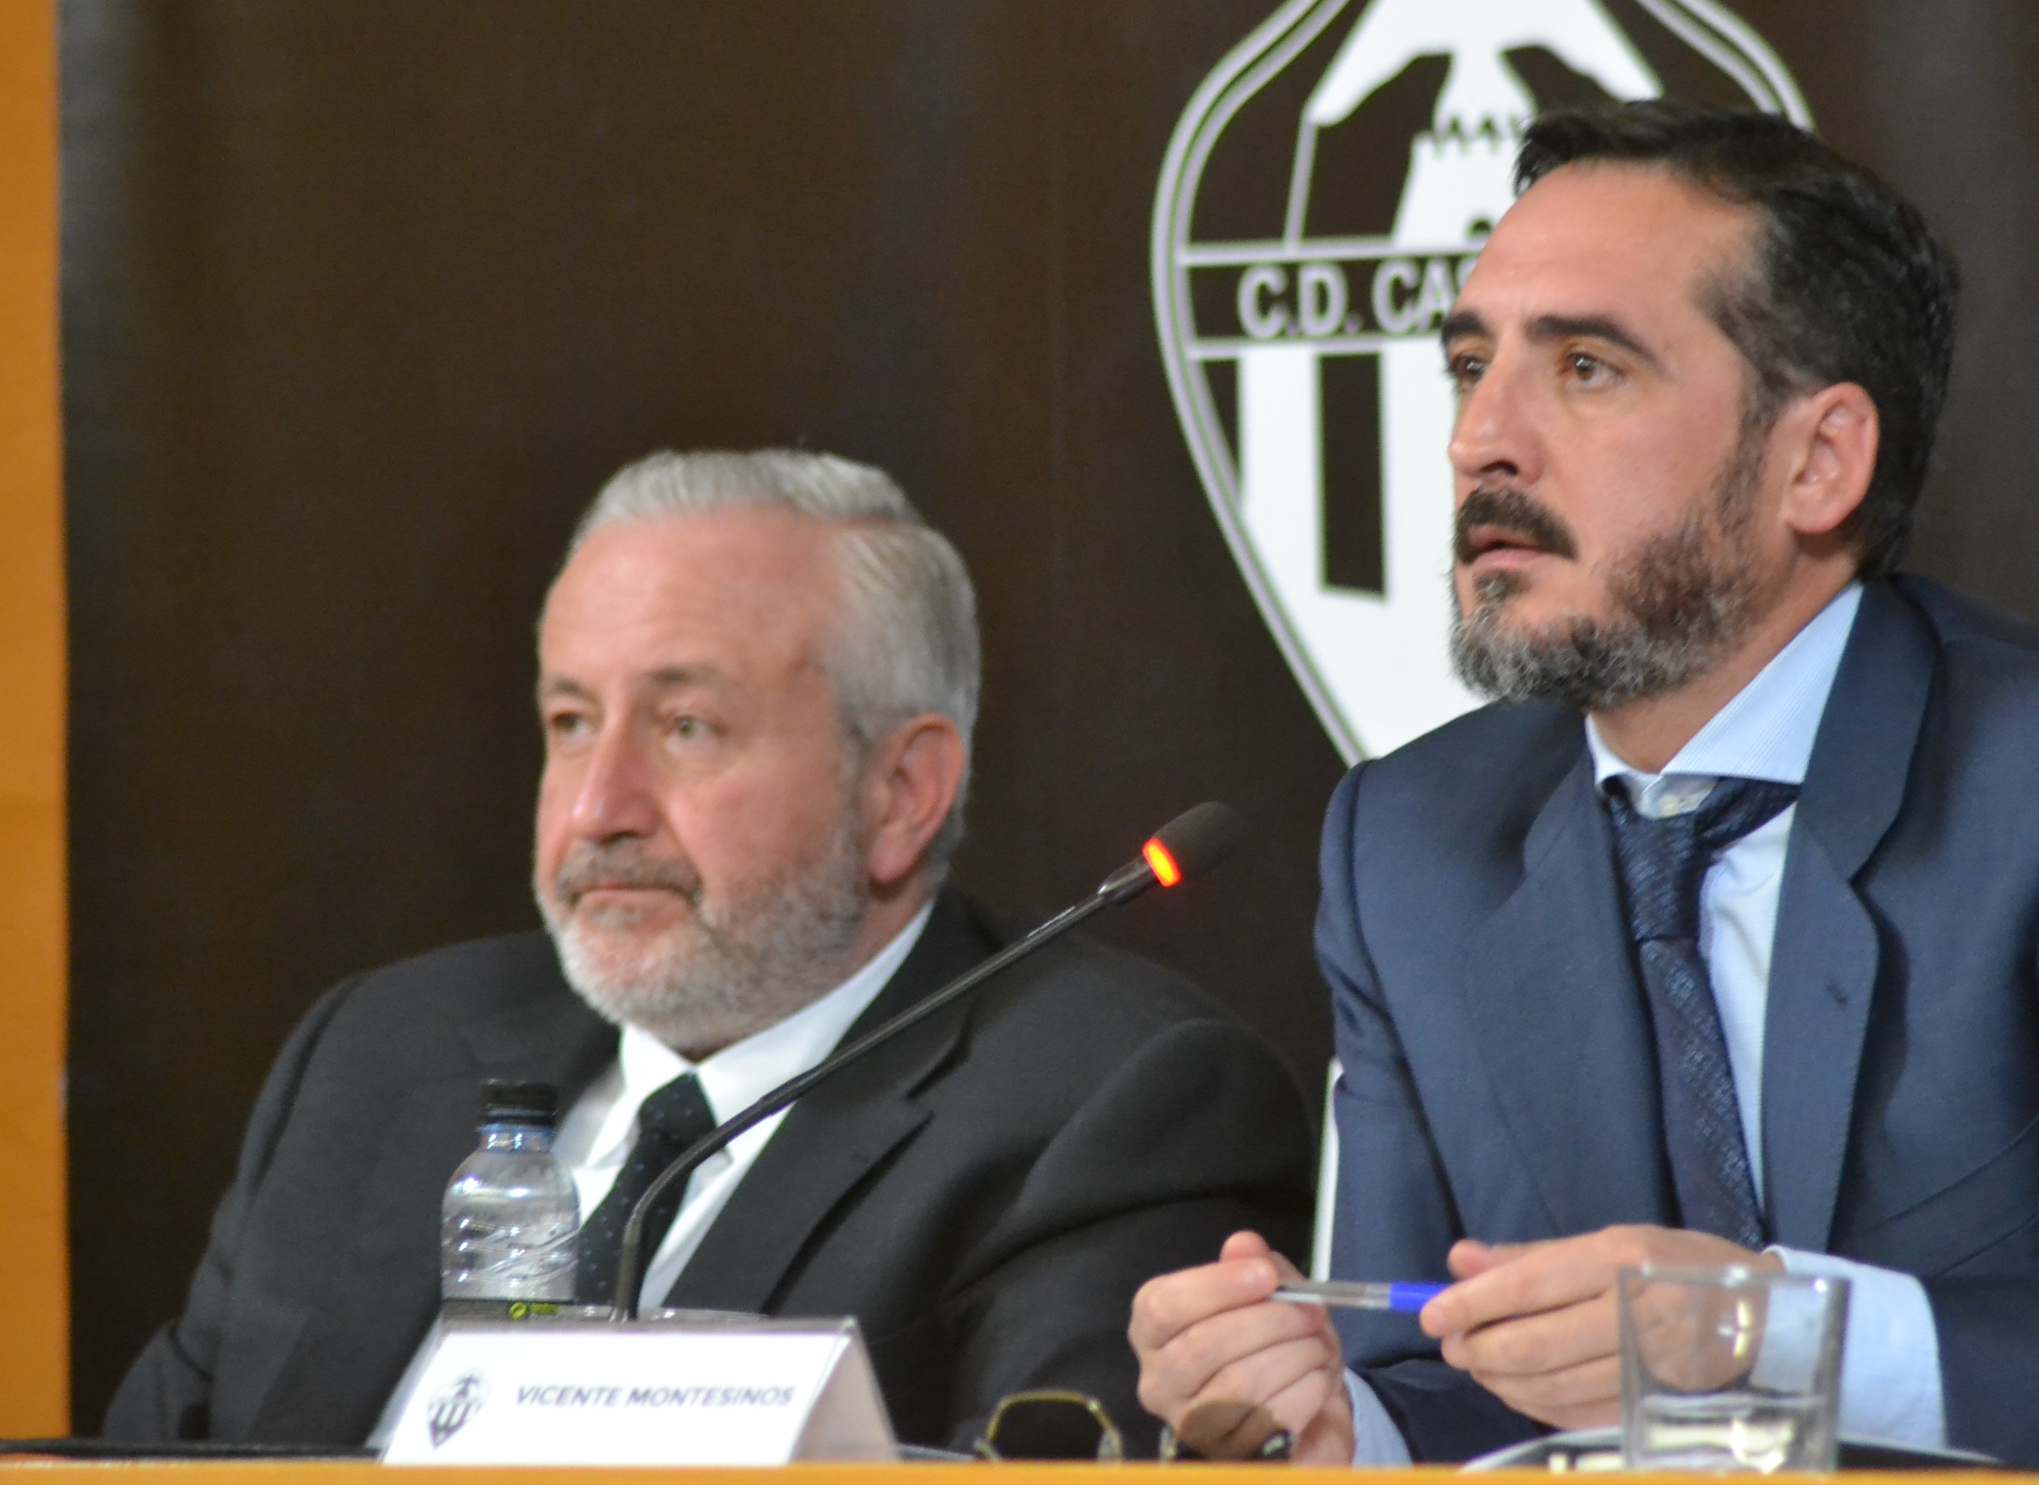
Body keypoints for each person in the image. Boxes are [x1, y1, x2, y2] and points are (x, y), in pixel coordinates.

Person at [1129, 100, 2039, 1472]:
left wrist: (1779, 1338)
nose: (1479, 440)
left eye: (1586, 368)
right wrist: (1346, 1424)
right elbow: (1436, 1364)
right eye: (1469, 366)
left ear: (1818, 462)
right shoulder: (1412, 846)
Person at [108, 448, 1312, 1453]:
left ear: (901, 791)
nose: (598, 809)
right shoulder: (375, 1057)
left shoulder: (1113, 1108)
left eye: (687, 726)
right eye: (570, 721)